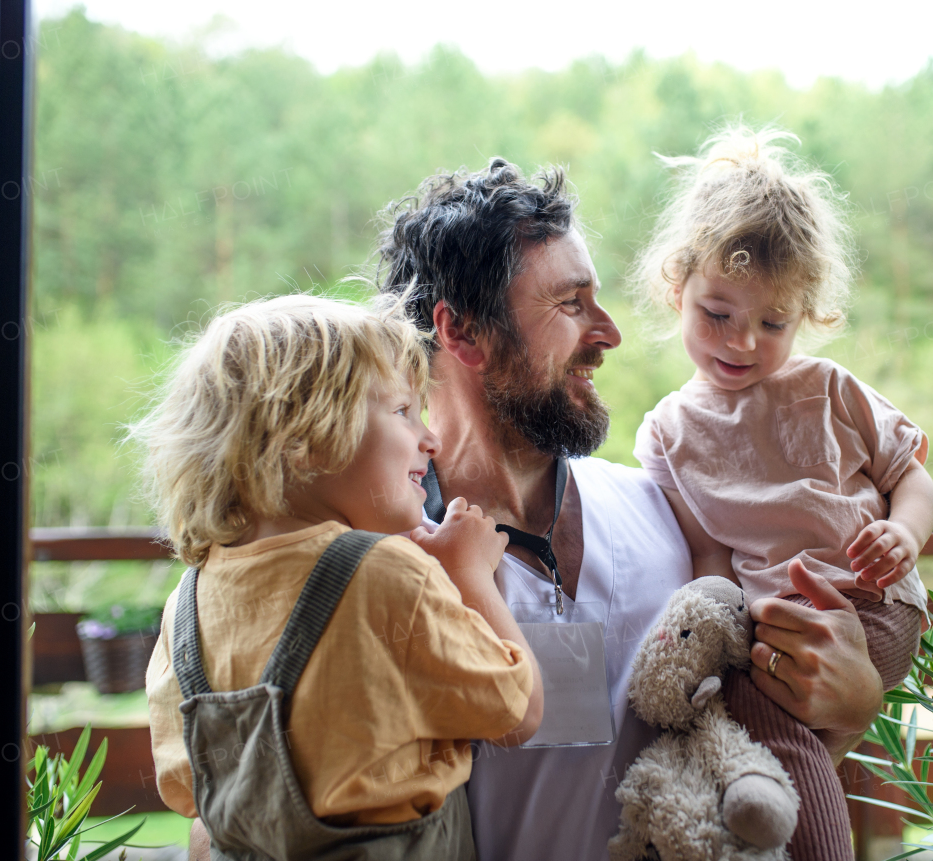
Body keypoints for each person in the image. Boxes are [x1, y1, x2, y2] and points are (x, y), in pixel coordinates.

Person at [189, 161, 891, 861]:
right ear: (463, 333)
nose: (609, 332)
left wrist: (855, 709)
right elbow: (233, 815)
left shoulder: (669, 510)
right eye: (570, 303)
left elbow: (753, 759)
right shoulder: (355, 572)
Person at [139, 294, 543, 860]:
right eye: (403, 411)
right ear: (304, 439)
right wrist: (467, 573)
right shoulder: (386, 574)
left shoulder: (188, 601)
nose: (430, 438)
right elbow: (516, 712)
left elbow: (188, 789)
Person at [630, 127, 933, 861]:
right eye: (718, 314)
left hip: (868, 603)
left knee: (767, 727)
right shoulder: (668, 431)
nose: (741, 343)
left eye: (773, 323)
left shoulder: (828, 389)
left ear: (808, 316)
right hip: (770, 623)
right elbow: (709, 559)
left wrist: (905, 534)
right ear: (678, 290)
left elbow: (911, 476)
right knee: (749, 724)